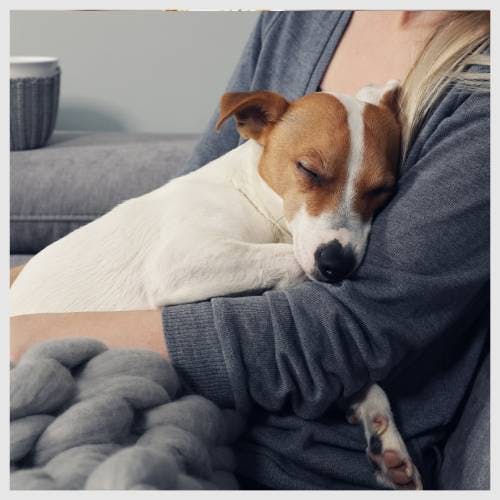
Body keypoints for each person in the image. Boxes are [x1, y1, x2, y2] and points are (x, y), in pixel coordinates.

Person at [10, 10, 490, 490]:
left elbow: (345, 333)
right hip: (71, 367)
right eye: (312, 174)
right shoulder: (302, 19)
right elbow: (182, 269)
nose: (341, 235)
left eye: (375, 194)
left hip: (274, 450)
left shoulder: (477, 92)